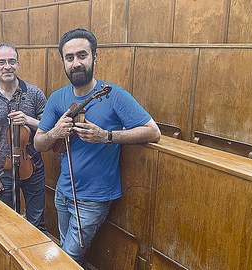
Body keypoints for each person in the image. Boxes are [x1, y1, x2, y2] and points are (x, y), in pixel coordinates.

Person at [34, 28, 160, 266]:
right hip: (63, 192)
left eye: (82, 55)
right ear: (63, 62)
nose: (76, 63)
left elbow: (153, 131)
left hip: (95, 197)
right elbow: (38, 142)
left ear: (94, 57)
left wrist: (107, 135)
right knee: (67, 255)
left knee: (67, 258)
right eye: (69, 58)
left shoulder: (114, 95)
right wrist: (55, 132)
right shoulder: (57, 98)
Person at [0, 43, 47, 232]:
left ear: (18, 64)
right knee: (7, 225)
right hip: (2, 171)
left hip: (33, 167)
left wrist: (28, 120)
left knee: (36, 223)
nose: (7, 66)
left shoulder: (34, 93)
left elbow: (48, 128)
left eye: (12, 61)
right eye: (2, 62)